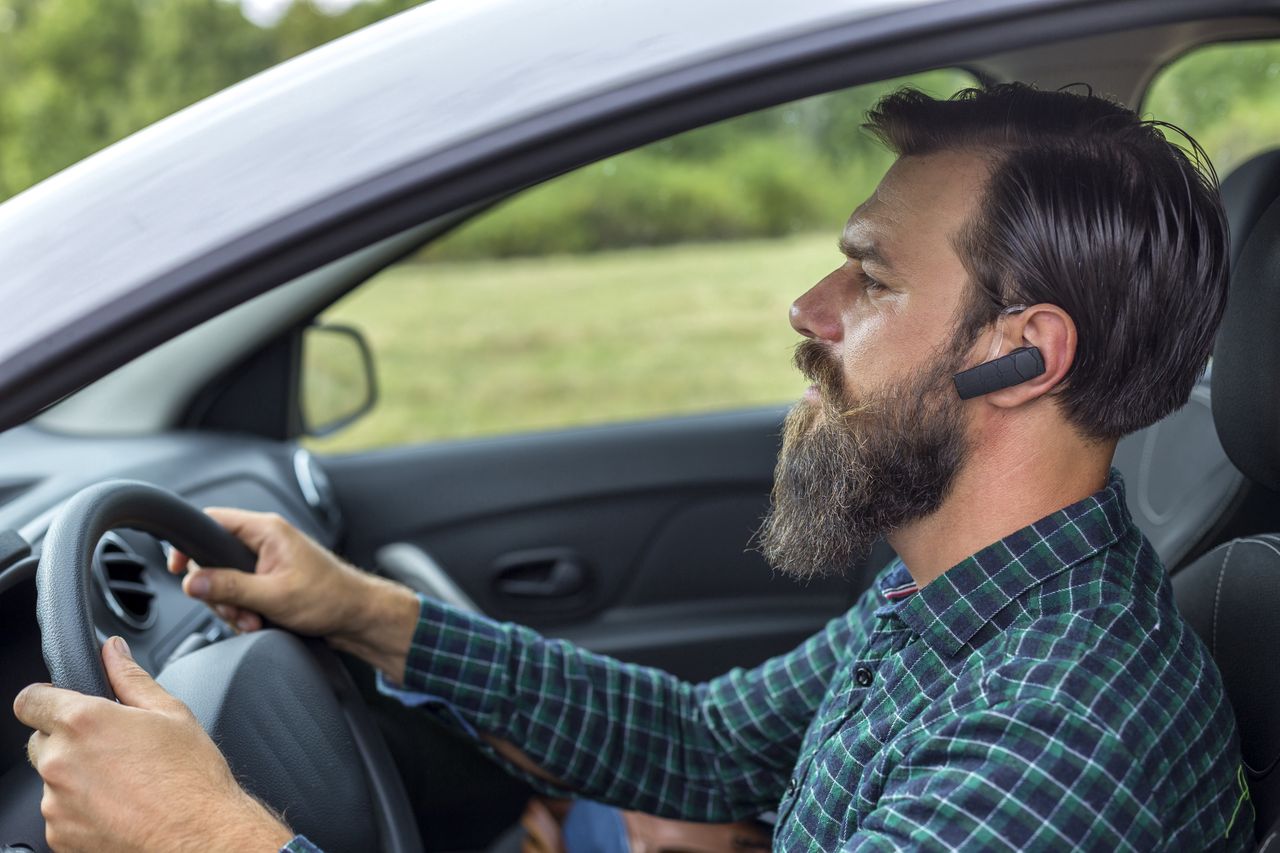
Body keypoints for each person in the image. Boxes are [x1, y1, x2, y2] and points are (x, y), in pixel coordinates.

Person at [13, 82, 1253, 851]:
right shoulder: (962, 601)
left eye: (869, 277)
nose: (805, 308)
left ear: (1018, 357)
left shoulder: (1061, 730)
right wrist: (363, 611)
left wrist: (202, 834)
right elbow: (711, 745)